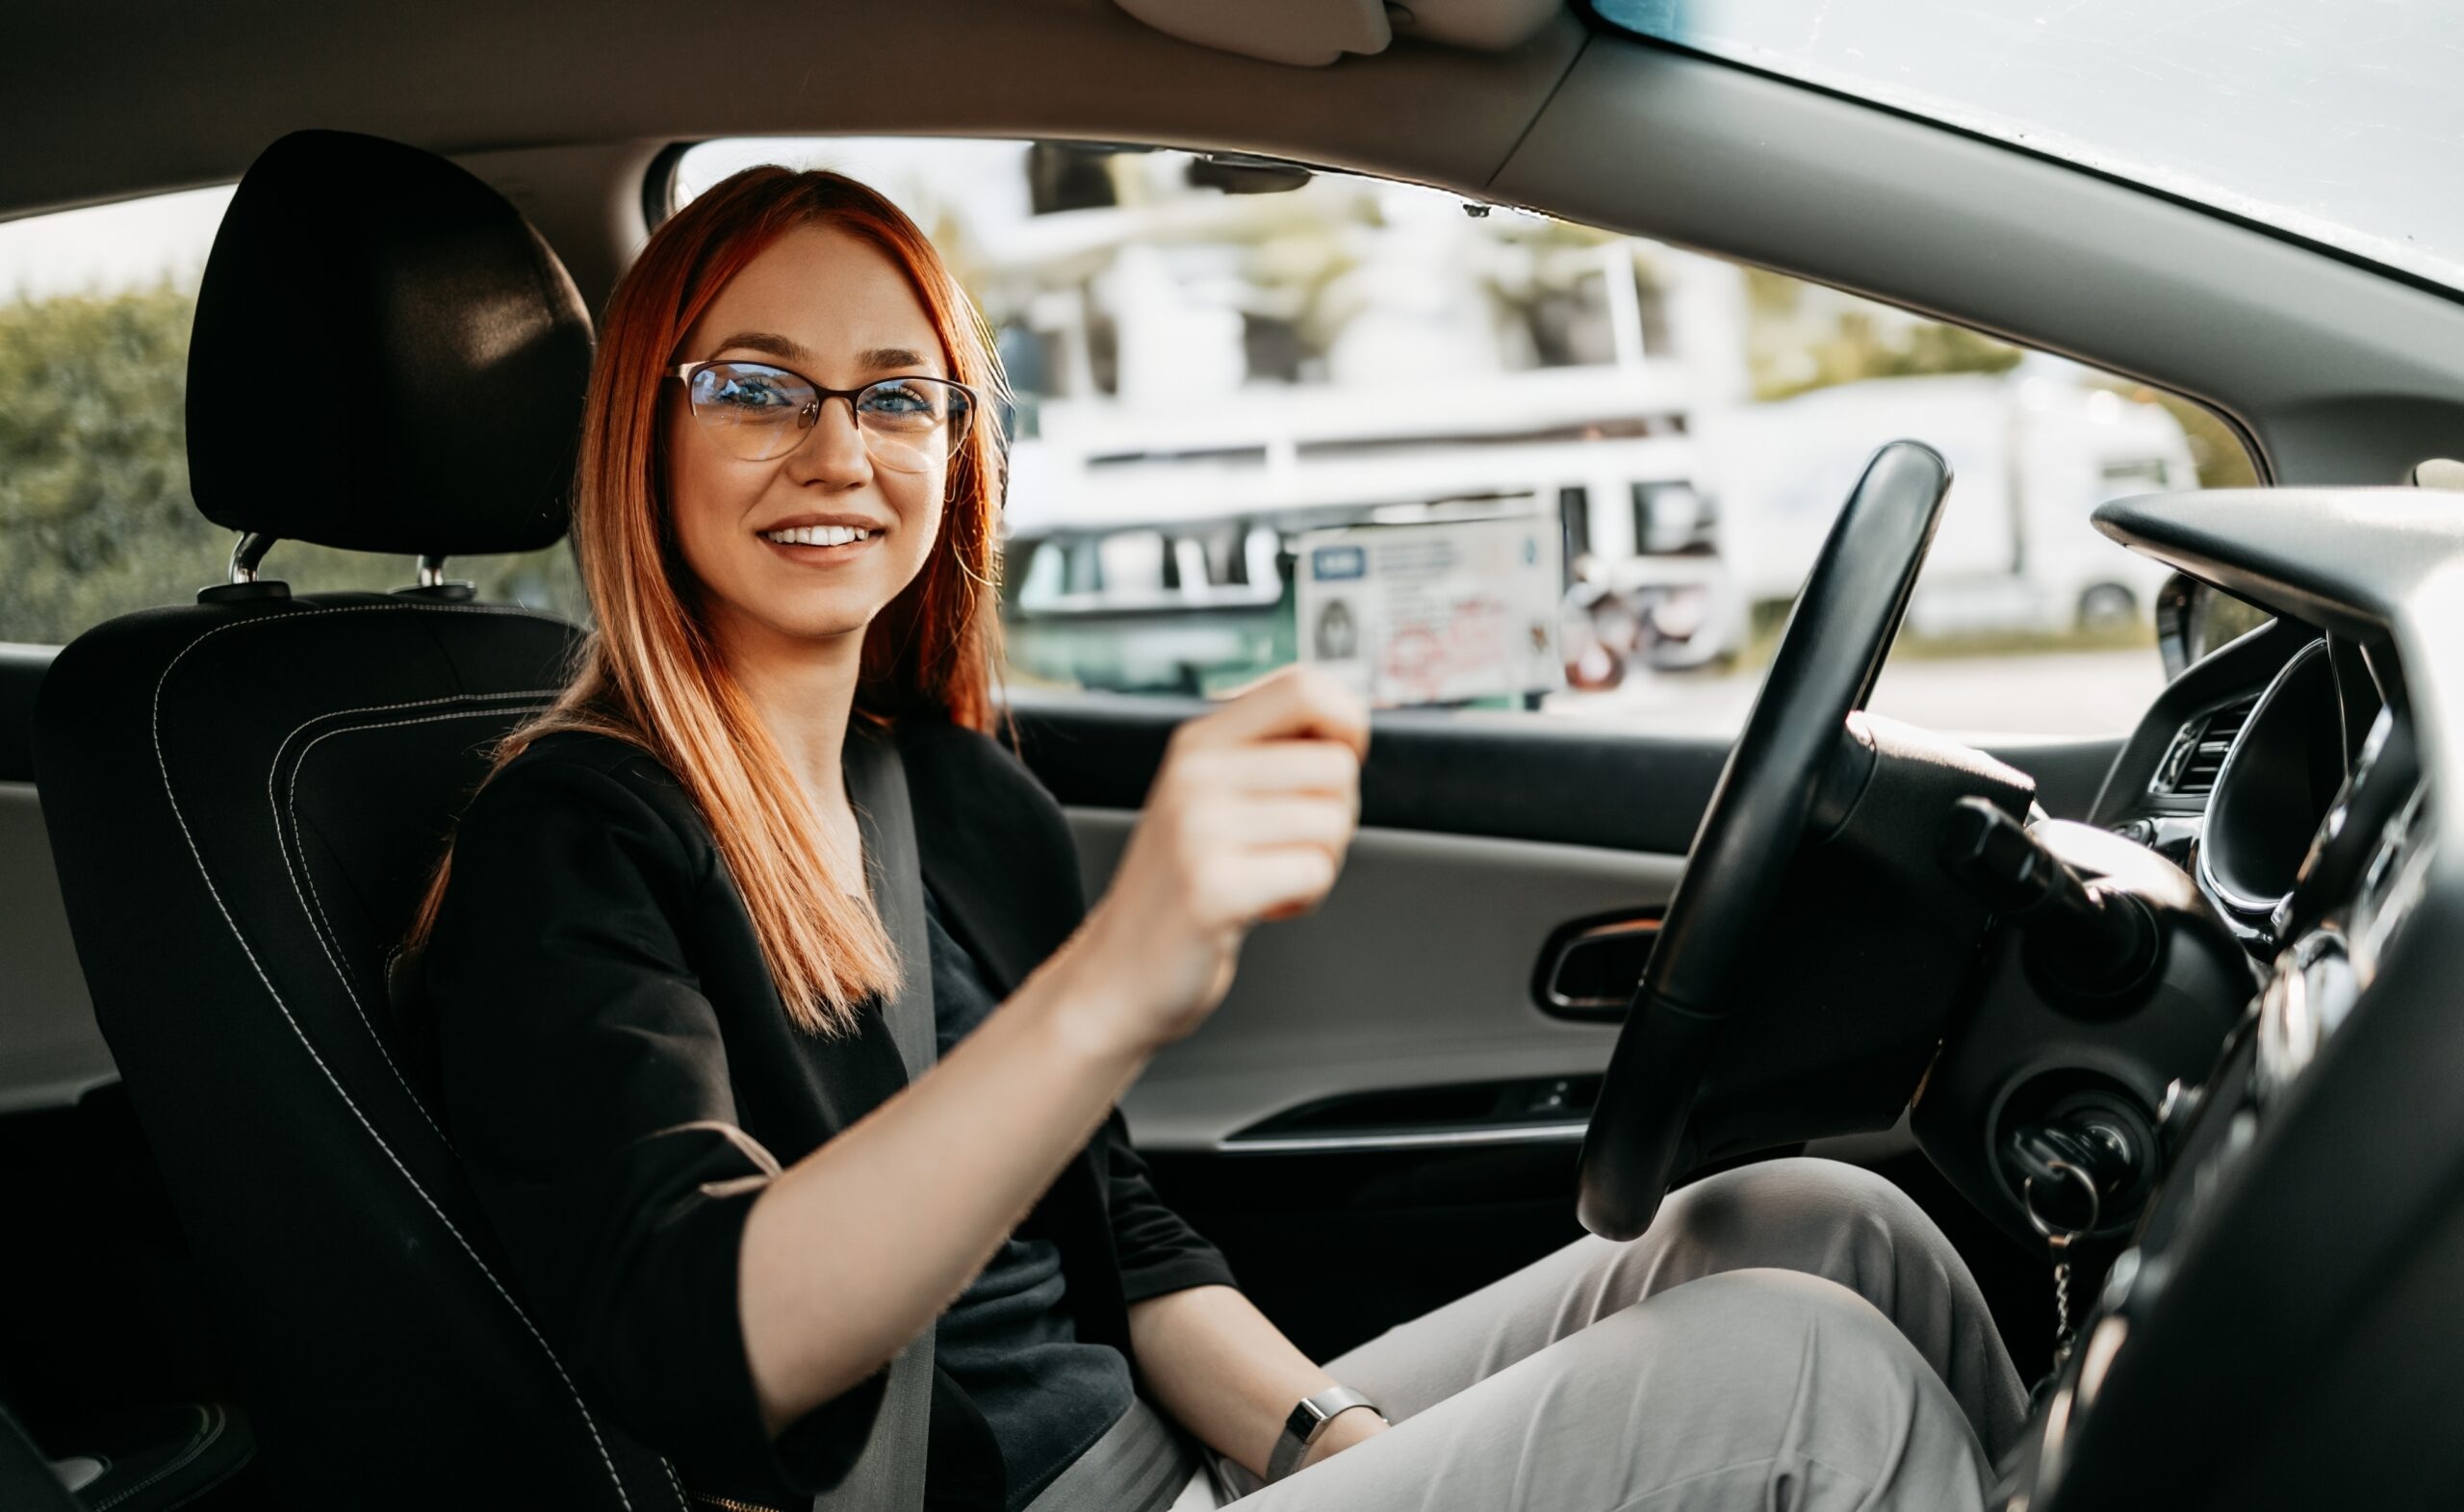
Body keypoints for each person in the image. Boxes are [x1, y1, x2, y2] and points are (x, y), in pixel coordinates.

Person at [395, 165, 2024, 1512]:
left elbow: (1126, 1246)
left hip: (1170, 1468)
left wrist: (1323, 1443)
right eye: (756, 388)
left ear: (958, 449)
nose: (839, 451)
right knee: (1802, 1379)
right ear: (643, 427)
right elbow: (699, 1341)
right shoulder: (572, 839)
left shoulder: (955, 801)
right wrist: (1109, 985)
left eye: (898, 396)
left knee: (1821, 1224)